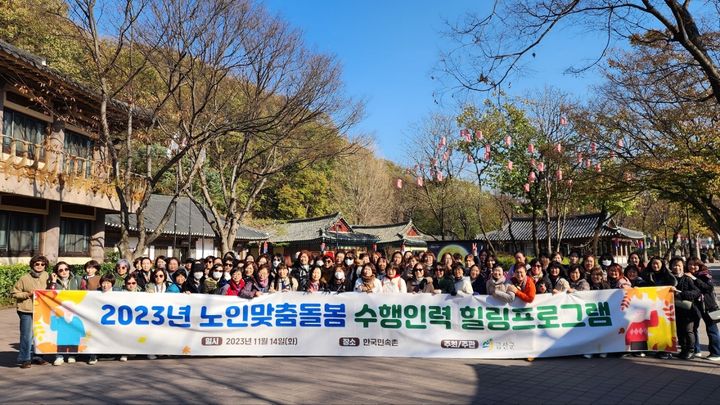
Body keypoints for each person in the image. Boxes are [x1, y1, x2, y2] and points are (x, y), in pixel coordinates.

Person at [12, 255, 51, 368]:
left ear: (45, 266)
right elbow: (14, 293)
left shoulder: (48, 276)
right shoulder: (24, 278)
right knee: (27, 335)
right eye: (37, 264)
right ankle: (25, 359)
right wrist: (27, 294)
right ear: (32, 265)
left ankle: (38, 356)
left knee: (41, 335)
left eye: (42, 264)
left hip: (43, 310)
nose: (39, 266)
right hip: (26, 310)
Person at [686, 258, 720, 361]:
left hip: (708, 306)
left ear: (700, 265)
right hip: (696, 306)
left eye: (695, 264)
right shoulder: (688, 275)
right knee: (693, 328)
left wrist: (695, 279)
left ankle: (716, 353)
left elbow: (709, 288)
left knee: (712, 330)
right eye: (690, 264)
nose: (692, 266)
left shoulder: (704, 274)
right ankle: (697, 350)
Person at [670, 257, 702, 360]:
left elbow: (696, 292)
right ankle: (683, 349)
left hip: (689, 311)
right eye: (674, 265)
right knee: (680, 331)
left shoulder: (687, 278)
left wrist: (680, 294)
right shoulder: (669, 279)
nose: (676, 267)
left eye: (679, 265)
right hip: (675, 310)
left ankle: (690, 350)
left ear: (683, 266)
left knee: (688, 331)